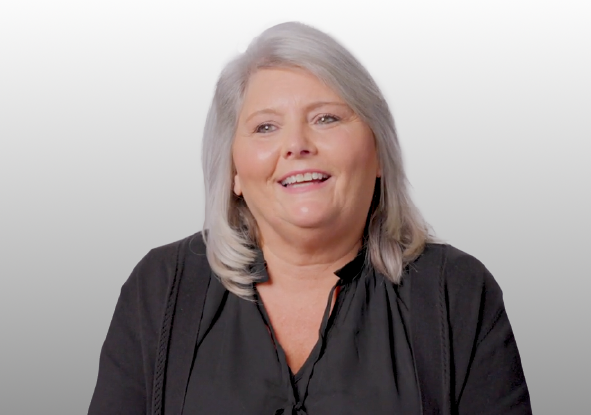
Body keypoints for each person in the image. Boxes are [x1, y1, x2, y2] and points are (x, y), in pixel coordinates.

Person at [88, 22, 531, 415]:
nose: (296, 144)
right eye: (265, 127)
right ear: (234, 170)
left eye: (326, 118)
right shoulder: (161, 287)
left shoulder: (457, 292)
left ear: (378, 152)